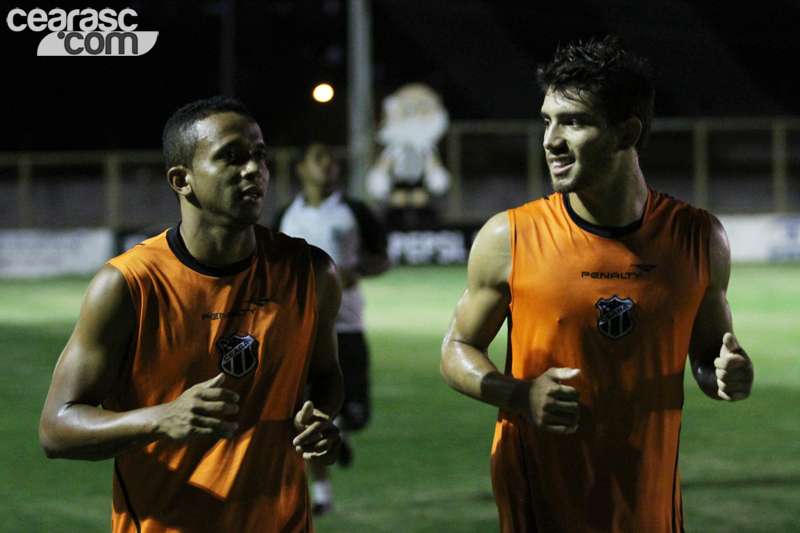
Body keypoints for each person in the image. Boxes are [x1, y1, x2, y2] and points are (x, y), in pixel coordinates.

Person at [440, 36, 754, 533]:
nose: (550, 139)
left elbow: (707, 357)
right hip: (540, 502)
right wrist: (518, 395)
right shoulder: (511, 237)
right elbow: (456, 348)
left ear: (627, 133)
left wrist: (724, 375)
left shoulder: (698, 238)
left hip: (648, 503)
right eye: (547, 119)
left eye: (575, 121)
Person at [39, 96, 345, 533]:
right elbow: (56, 427)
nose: (253, 170)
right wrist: (160, 418)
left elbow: (326, 375)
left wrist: (320, 419)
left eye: (259, 156)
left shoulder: (311, 273)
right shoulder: (128, 285)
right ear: (182, 180)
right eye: (232, 158)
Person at [274, 142, 391, 515]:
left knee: (356, 415)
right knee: (310, 417)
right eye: (320, 158)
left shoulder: (354, 211)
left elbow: (383, 258)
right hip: (302, 332)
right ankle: (322, 495)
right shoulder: (283, 218)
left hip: (348, 326)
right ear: (301, 170)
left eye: (333, 159)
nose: (330, 166)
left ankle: (341, 427)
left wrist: (357, 272)